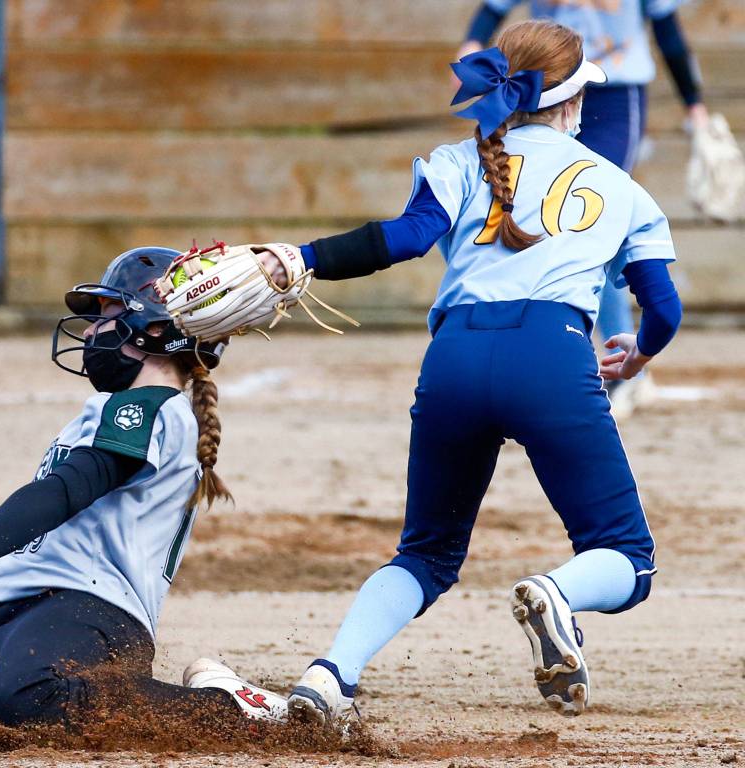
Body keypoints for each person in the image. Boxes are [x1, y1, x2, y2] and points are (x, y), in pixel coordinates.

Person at [236, 20, 682, 724]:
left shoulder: (461, 159)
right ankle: (558, 593)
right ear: (572, 103)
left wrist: (302, 256)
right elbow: (663, 308)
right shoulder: (621, 186)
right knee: (627, 555)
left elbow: (401, 239)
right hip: (552, 355)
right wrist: (641, 354)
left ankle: (329, 676)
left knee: (426, 553)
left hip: (454, 358)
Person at [0, 247, 288, 730]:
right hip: (20, 625)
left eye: (107, 313)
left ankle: (235, 710)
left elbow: (69, 487)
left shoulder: (151, 408)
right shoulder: (122, 410)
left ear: (154, 329)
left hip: (92, 617)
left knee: (27, 698)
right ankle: (12, 707)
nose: (90, 331)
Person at [457, 0, 706, 416]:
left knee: (594, 221)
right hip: (543, 88)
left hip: (615, 94)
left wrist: (694, 104)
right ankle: (564, 357)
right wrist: (472, 42)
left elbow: (668, 30)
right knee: (548, 218)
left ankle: (622, 371)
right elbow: (492, 9)